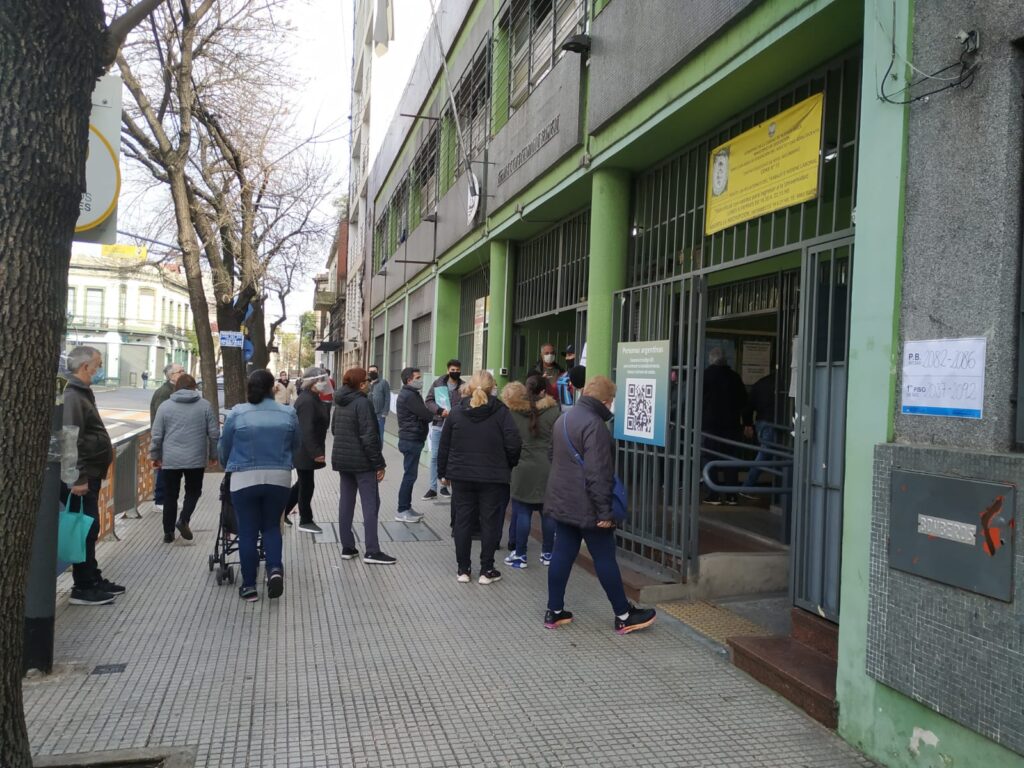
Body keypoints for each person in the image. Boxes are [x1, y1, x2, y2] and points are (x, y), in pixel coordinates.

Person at [544, 375, 656, 634]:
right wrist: (604, 511)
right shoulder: (595, 426)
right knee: (604, 558)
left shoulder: (564, 418)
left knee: (562, 553)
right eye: (612, 401)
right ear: (605, 401)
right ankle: (624, 615)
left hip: (563, 500)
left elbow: (552, 456)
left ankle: (554, 611)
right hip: (589, 506)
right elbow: (598, 473)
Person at [218, 370, 300, 601]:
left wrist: (228, 465)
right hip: (279, 478)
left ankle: (249, 586)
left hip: (243, 478)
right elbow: (297, 444)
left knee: (247, 532)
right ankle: (274, 569)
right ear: (273, 388)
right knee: (272, 526)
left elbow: (224, 447)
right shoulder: (288, 414)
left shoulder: (238, 413)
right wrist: (284, 461)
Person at [438, 370, 522, 585]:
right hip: (493, 477)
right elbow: (513, 443)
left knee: (463, 521)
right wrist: (507, 464)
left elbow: (445, 446)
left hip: (461, 476)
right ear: (492, 388)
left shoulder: (456, 412)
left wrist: (442, 474)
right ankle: (487, 569)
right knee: (490, 522)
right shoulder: (502, 412)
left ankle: (463, 569)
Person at [60, 346, 125, 605]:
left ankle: (92, 577)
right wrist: (77, 478)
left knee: (90, 527)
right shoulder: (74, 395)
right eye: (98, 364)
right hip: (82, 477)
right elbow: (69, 437)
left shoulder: (81, 392)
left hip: (88, 474)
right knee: (85, 529)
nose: (99, 369)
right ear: (85, 366)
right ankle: (83, 587)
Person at [331, 367, 396, 564]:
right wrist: (379, 464)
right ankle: (372, 551)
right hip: (363, 462)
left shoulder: (340, 402)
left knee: (346, 503)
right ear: (360, 384)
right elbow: (369, 437)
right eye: (366, 381)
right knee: (371, 504)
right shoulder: (362, 403)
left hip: (343, 461)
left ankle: (347, 547)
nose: (369, 384)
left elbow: (334, 429)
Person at [150, 374, 219, 543]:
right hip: (195, 458)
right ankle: (184, 519)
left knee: (170, 495)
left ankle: (168, 532)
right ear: (195, 387)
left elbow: (157, 435)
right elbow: (214, 433)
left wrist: (155, 455)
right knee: (193, 491)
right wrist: (213, 455)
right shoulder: (205, 406)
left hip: (171, 459)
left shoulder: (165, 407)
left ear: (176, 388)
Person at [501, 376, 559, 569]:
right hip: (547, 466)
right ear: (544, 391)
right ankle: (548, 553)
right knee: (547, 513)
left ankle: (520, 555)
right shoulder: (554, 411)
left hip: (521, 467)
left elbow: (508, 440)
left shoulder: (512, 412)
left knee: (522, 512)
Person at [702, 347, 748, 506]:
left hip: (710, 427)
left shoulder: (704, 376)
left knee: (710, 459)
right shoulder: (735, 377)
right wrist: (746, 422)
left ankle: (713, 494)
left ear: (710, 359)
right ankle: (731, 496)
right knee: (731, 461)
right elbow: (744, 402)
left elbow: (696, 401)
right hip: (732, 426)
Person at [288, 367, 331, 535]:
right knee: (306, 485)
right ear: (312, 383)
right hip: (305, 451)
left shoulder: (312, 398)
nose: (323, 384)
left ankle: (283, 511)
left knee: (302, 483)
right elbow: (306, 430)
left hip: (307, 450)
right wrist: (316, 453)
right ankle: (305, 520)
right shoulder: (307, 401)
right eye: (320, 381)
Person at [424, 359, 464, 500]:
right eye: (452, 370)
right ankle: (432, 488)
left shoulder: (464, 386)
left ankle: (444, 487)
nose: (455, 372)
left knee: (450, 456)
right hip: (439, 424)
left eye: (457, 370)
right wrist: (440, 411)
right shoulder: (438, 383)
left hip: (455, 426)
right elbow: (428, 400)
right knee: (435, 456)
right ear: (448, 370)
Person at [395, 366, 431, 523]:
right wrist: (436, 414)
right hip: (411, 439)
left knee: (410, 475)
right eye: (418, 378)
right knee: (409, 476)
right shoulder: (409, 395)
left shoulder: (411, 393)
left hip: (412, 438)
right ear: (409, 380)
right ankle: (402, 510)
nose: (420, 380)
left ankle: (407, 507)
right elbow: (425, 414)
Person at [149, 362, 185, 511]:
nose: (184, 373)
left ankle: (169, 499)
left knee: (172, 472)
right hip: (165, 438)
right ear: (171, 376)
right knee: (164, 470)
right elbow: (161, 418)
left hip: (173, 438)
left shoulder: (176, 390)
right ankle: (160, 500)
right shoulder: (164, 393)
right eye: (180, 371)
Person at [741, 371, 778, 499]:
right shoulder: (783, 384)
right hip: (774, 423)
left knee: (767, 454)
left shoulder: (761, 383)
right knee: (765, 455)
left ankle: (778, 490)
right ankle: (747, 486)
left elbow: (748, 406)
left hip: (761, 422)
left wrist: (748, 424)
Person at [367, 364, 391, 444]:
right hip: (368, 414)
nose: (372, 373)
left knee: (379, 436)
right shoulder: (366, 384)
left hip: (379, 415)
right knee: (368, 435)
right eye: (370, 371)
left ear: (378, 372)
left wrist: (385, 412)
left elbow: (387, 397)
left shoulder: (383, 383)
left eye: (374, 371)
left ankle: (378, 454)